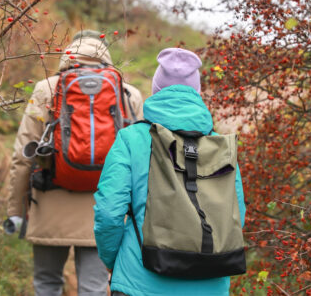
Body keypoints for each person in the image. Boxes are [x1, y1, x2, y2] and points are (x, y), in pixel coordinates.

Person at [93, 48, 246, 296]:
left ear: (156, 89)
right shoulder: (220, 146)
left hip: (139, 282)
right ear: (197, 92)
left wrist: (115, 262)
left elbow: (109, 212)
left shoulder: (131, 139)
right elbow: (236, 215)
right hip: (210, 285)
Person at [6, 30, 143, 296]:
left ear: (69, 51)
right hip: (103, 209)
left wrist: (16, 210)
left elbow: (23, 154)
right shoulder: (128, 94)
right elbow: (140, 161)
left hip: (49, 203)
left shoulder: (46, 89)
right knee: (94, 288)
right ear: (104, 51)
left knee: (47, 283)